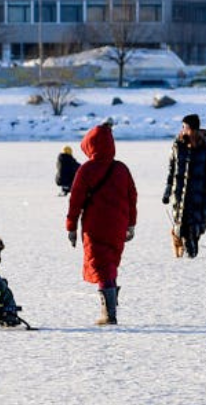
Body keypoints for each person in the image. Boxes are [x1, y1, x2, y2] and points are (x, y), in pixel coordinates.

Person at [66, 121, 138, 325]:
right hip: (118, 226)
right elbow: (132, 196)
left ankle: (109, 314)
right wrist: (131, 224)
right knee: (110, 264)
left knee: (102, 266)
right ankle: (110, 308)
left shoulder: (86, 170)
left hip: (95, 226)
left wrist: (71, 226)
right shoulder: (121, 168)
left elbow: (76, 201)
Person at [162, 114, 206, 259]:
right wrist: (168, 188)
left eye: (184, 127)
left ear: (191, 128)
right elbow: (171, 168)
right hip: (180, 191)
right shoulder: (178, 145)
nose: (182, 130)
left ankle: (192, 246)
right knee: (181, 222)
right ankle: (187, 250)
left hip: (199, 191)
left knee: (197, 224)